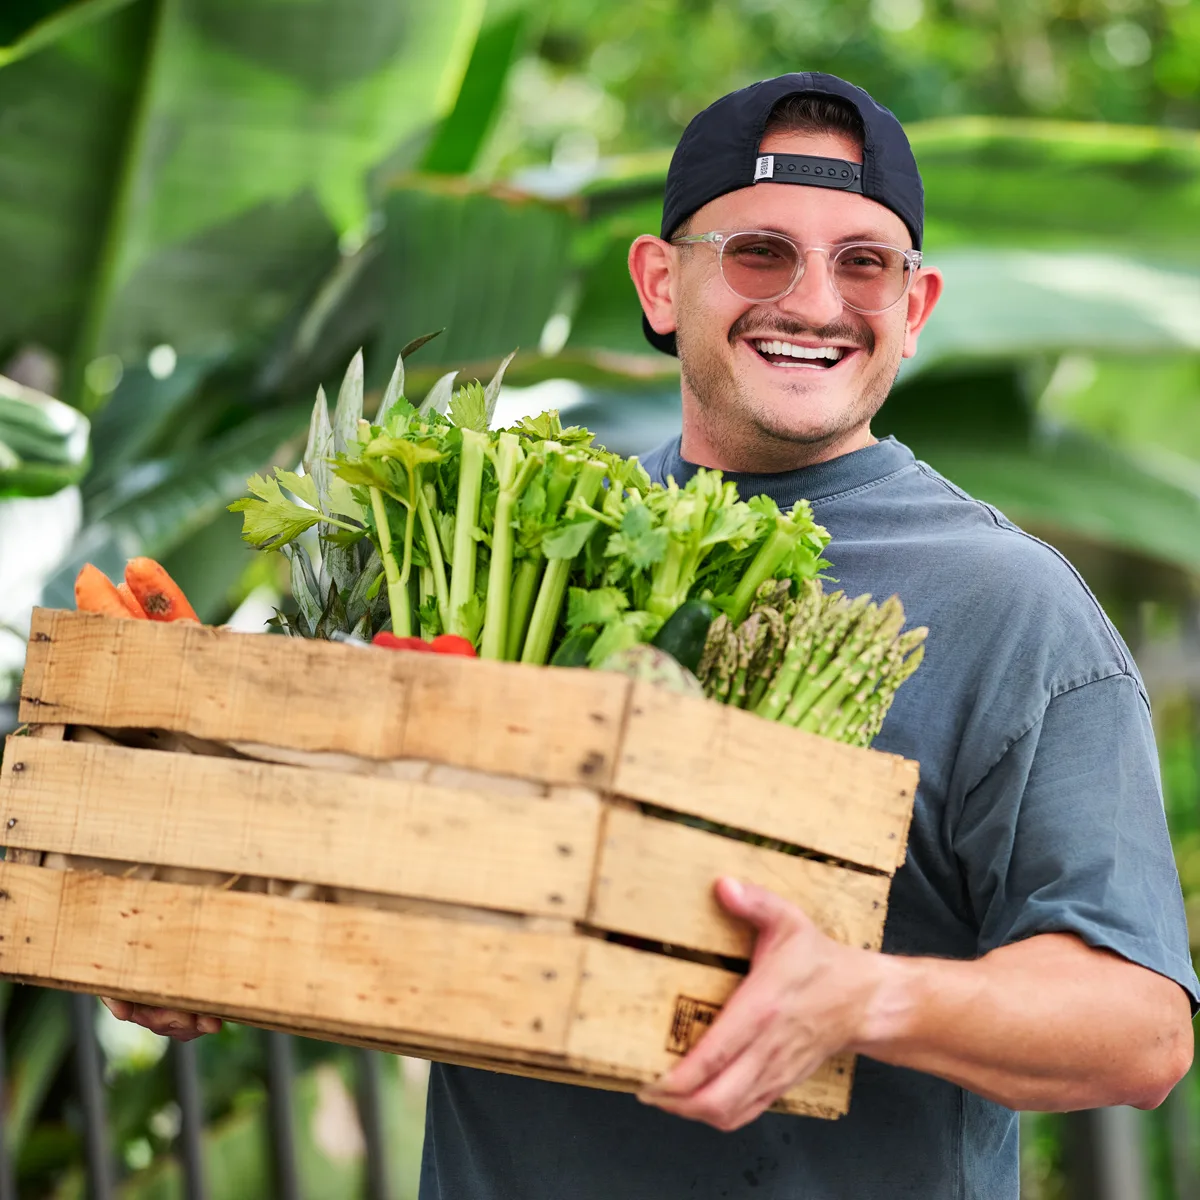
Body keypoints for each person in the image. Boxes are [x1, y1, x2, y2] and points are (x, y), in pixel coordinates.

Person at [113, 72, 1197, 1200]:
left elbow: (1140, 1029)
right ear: (660, 281)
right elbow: (398, 886)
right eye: (760, 252)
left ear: (914, 311)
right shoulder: (513, 538)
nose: (816, 302)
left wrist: (864, 994)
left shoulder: (1010, 608)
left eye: (863, 263)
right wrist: (221, 938)